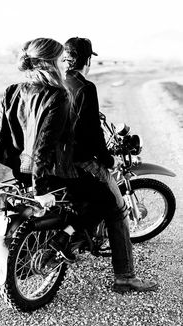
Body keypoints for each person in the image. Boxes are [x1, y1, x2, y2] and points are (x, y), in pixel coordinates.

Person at [0, 37, 110, 263]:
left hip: (21, 172)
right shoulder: (58, 95)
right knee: (103, 198)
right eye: (60, 59)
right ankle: (64, 237)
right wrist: (40, 191)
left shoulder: (11, 91)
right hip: (50, 174)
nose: (63, 63)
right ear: (51, 62)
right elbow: (43, 148)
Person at [62, 37, 158, 293]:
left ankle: (75, 237)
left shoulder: (59, 82)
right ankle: (125, 277)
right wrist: (109, 160)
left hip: (57, 161)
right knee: (117, 209)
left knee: (91, 203)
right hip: (81, 162)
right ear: (88, 60)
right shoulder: (85, 87)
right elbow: (92, 135)